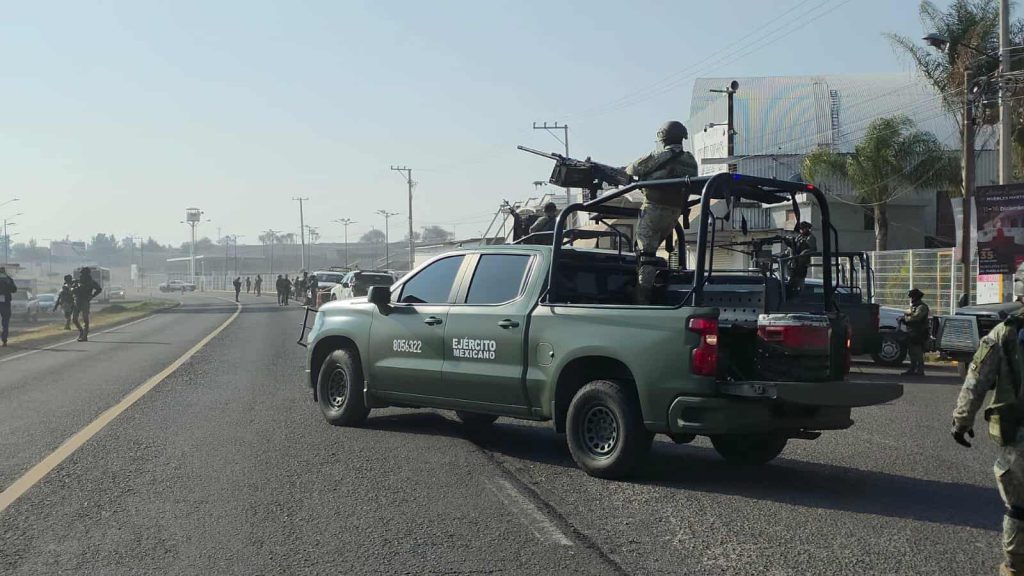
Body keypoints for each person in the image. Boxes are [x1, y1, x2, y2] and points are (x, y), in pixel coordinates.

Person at [951, 262, 1024, 576]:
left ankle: (1015, 567)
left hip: (1019, 437)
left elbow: (976, 380)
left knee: (1019, 508)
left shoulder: (1005, 333)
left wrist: (962, 421)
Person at [624, 120, 698, 304]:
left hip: (654, 209)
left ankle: (642, 296)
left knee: (646, 254)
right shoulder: (690, 160)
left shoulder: (660, 156)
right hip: (674, 214)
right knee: (652, 252)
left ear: (663, 138)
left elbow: (632, 169)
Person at [900, 288, 930, 376]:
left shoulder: (922, 307)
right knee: (911, 352)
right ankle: (912, 369)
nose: (911, 299)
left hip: (919, 333)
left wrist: (905, 319)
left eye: (912, 297)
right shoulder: (914, 307)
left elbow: (916, 318)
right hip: (912, 332)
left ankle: (920, 370)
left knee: (918, 352)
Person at [783, 221, 817, 298]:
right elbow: (794, 246)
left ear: (807, 228)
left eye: (803, 228)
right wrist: (787, 241)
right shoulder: (799, 237)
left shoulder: (810, 238)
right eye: (801, 229)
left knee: (799, 281)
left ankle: (799, 296)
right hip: (795, 262)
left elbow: (812, 249)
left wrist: (804, 252)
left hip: (802, 263)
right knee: (792, 281)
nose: (801, 230)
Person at [72, 267, 103, 342]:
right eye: (81, 274)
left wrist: (92, 296)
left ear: (87, 274)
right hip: (77, 301)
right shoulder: (78, 282)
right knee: (74, 319)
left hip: (85, 301)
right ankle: (81, 331)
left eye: (83, 273)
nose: (82, 275)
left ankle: (85, 335)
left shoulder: (91, 282)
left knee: (85, 319)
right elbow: (72, 289)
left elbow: (99, 289)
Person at [0, 267, 16, 347]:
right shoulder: (8, 279)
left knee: (5, 322)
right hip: (5, 303)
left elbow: (14, 289)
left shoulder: (8, 279)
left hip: (5, 302)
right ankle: (4, 339)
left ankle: (4, 339)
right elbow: (14, 289)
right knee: (5, 322)